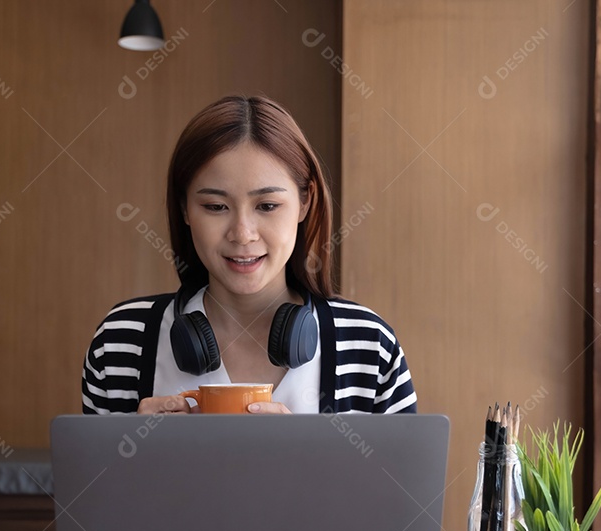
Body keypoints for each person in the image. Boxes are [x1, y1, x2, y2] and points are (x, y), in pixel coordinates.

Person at [82, 95, 416, 415]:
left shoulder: (369, 347)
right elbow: (89, 476)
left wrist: (305, 461)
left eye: (267, 206)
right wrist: (136, 458)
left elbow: (405, 477)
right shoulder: (121, 342)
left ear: (305, 202)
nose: (242, 233)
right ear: (184, 208)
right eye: (215, 207)